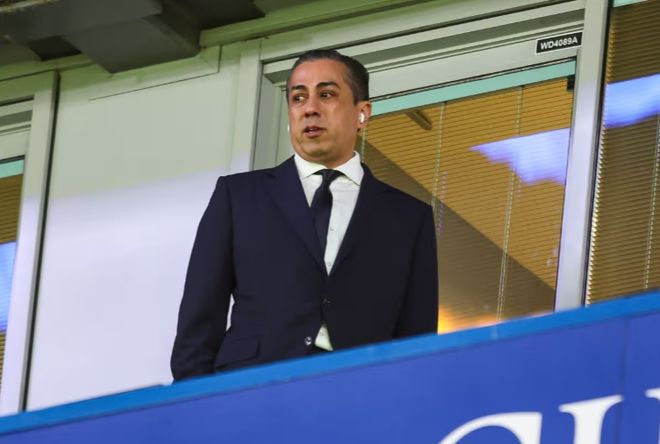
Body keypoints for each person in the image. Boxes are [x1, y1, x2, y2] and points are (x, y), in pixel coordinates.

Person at [171, 49, 438, 380]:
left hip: (361, 389)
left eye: (326, 95)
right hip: (253, 386)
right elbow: (199, 318)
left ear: (362, 113)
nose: (310, 108)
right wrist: (195, 400)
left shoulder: (408, 217)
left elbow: (417, 338)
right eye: (298, 98)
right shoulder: (238, 196)